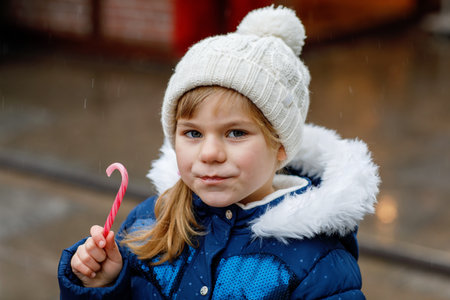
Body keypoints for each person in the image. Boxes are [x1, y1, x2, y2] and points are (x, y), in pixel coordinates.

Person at [58, 5, 380, 299]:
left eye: (236, 133)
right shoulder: (149, 222)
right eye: (193, 133)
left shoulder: (317, 263)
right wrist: (103, 285)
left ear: (280, 146)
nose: (210, 153)